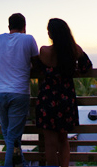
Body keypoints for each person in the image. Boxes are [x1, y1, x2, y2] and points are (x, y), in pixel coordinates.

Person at [36, 18, 92, 167]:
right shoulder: (74, 50)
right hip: (66, 98)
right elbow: (86, 66)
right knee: (63, 140)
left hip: (48, 99)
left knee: (50, 143)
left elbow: (37, 68)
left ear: (51, 33)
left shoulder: (44, 51)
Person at [0, 13, 39, 166]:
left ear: (8, 27)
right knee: (12, 137)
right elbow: (37, 64)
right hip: (19, 92)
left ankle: (22, 164)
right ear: (24, 27)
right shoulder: (28, 39)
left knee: (9, 135)